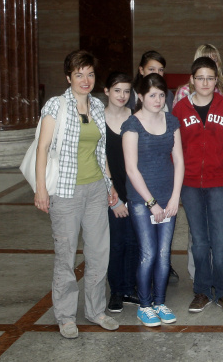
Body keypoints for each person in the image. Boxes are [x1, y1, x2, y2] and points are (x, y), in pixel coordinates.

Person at [33, 50, 120, 339]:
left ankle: (95, 310)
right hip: (66, 192)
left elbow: (100, 150)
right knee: (65, 256)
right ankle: (66, 316)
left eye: (90, 74)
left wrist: (110, 184)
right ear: (68, 77)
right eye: (79, 74)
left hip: (96, 188)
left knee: (98, 253)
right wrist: (41, 190)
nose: (86, 79)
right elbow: (43, 148)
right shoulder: (56, 106)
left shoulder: (97, 106)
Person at [172, 57, 223, 316]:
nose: (205, 83)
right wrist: (176, 184)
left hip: (219, 182)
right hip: (189, 184)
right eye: (200, 78)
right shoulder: (180, 109)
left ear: (216, 80)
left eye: (210, 78)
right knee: (199, 241)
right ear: (191, 80)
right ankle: (201, 291)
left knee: (220, 240)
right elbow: (174, 149)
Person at [122, 73, 185, 327]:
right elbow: (131, 169)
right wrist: (151, 203)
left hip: (168, 197)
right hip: (142, 200)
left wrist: (174, 198)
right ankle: (145, 306)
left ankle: (160, 302)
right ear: (140, 97)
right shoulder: (132, 124)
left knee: (163, 253)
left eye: (161, 95)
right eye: (152, 95)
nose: (157, 100)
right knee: (148, 253)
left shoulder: (172, 121)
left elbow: (179, 161)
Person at [103, 72, 139, 314]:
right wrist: (112, 192)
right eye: (117, 90)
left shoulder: (134, 118)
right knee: (115, 242)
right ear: (106, 91)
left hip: (134, 188)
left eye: (126, 91)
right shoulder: (98, 119)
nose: (122, 96)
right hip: (110, 190)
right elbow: (99, 157)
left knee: (134, 240)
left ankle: (130, 287)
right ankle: (116, 290)